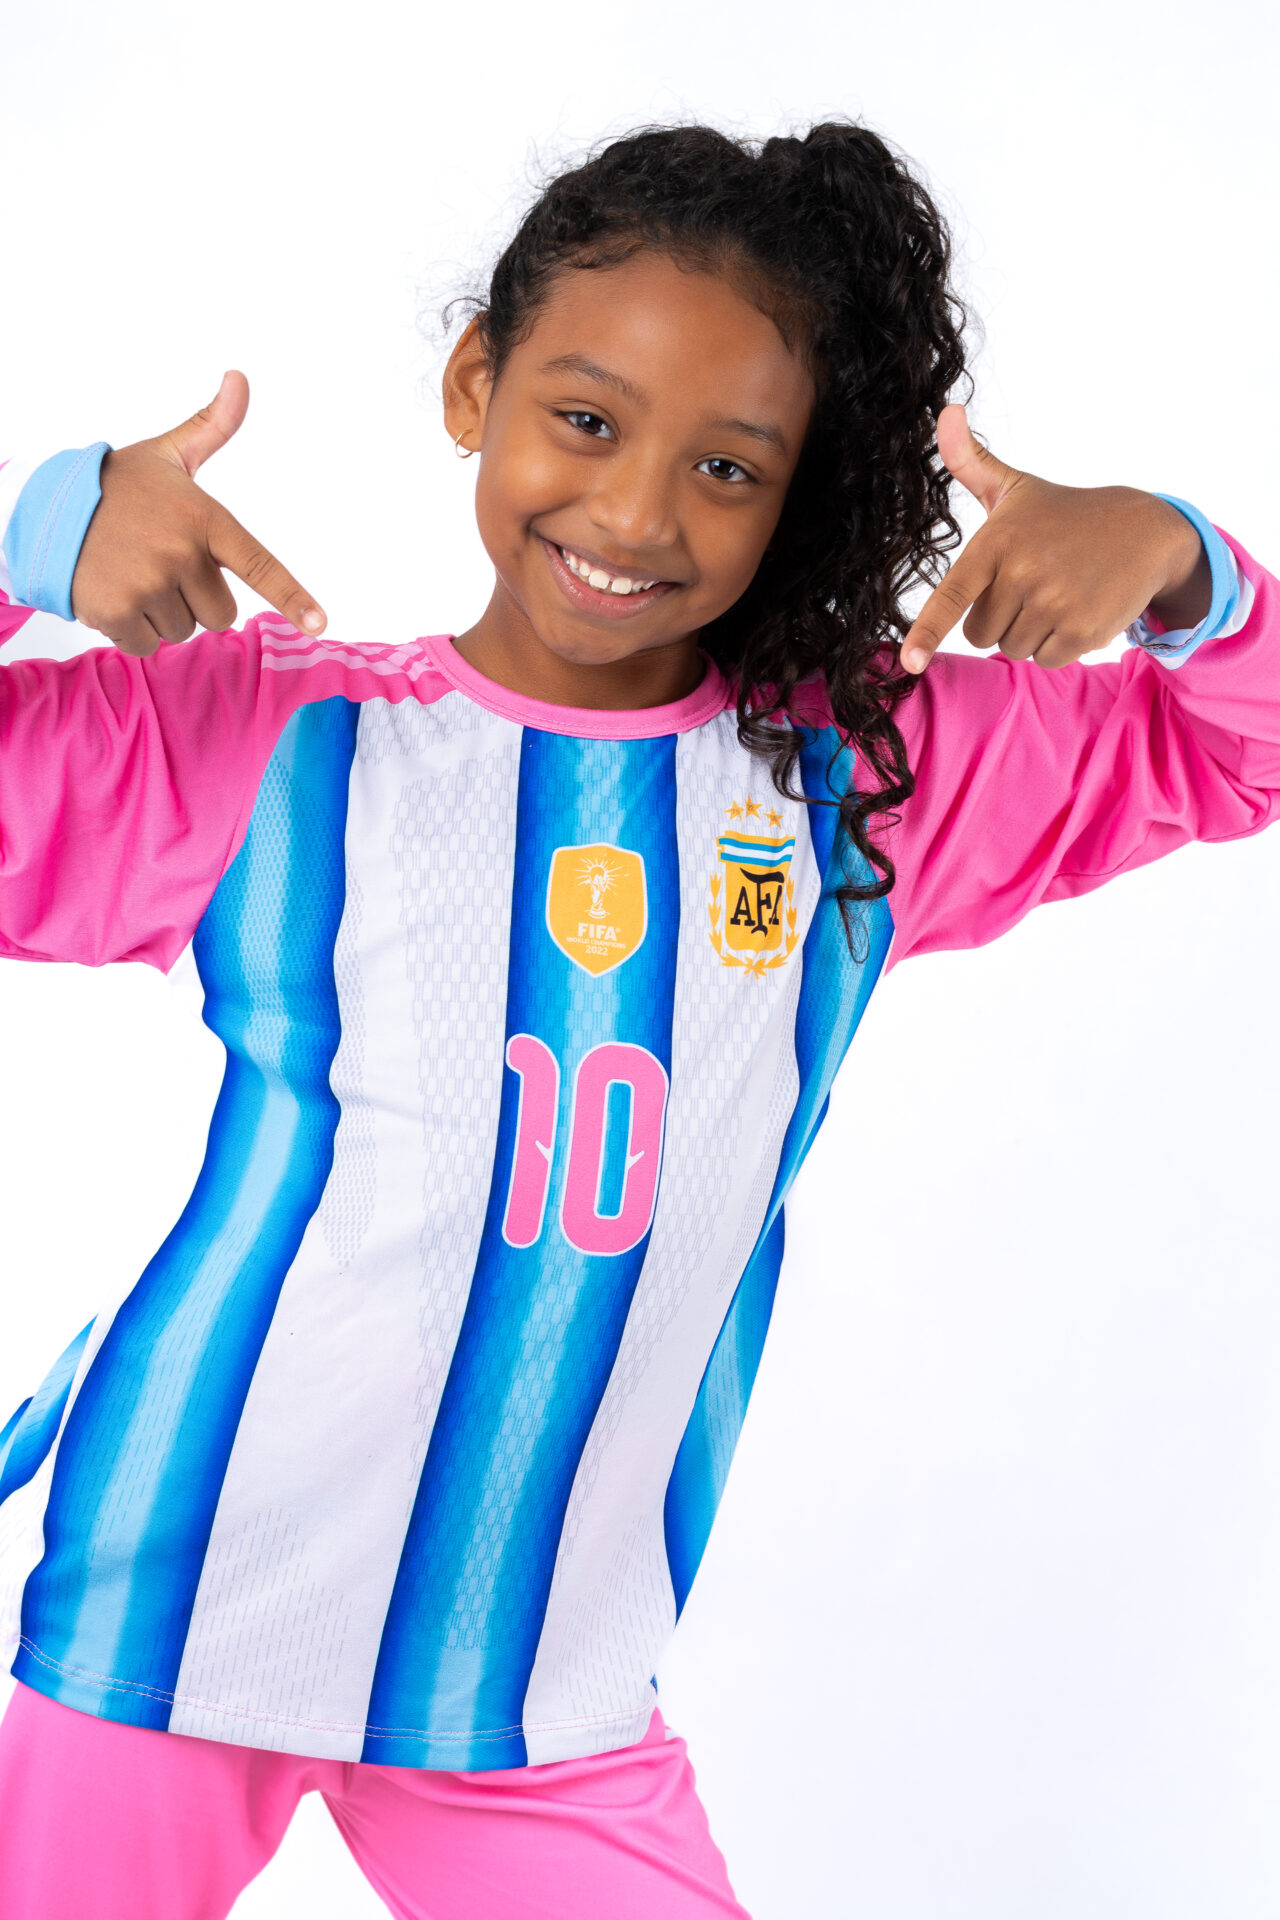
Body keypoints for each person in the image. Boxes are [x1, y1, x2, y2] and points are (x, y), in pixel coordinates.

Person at [0, 120, 1274, 1920]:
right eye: (587, 420)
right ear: (477, 383)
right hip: (175, 1601)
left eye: (729, 466)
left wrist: (1182, 566)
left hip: (535, 1682)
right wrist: (32, 540)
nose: (636, 514)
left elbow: (1241, 744)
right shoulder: (263, 742)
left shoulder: (856, 779)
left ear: (801, 490)